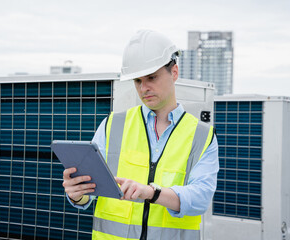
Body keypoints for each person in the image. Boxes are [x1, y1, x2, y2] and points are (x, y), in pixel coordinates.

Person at [62, 30, 219, 240]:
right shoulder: (112, 125)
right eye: (137, 81)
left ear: (174, 72)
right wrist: (77, 194)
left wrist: (152, 193)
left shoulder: (202, 135)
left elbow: (201, 198)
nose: (144, 88)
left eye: (152, 77)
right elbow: (89, 194)